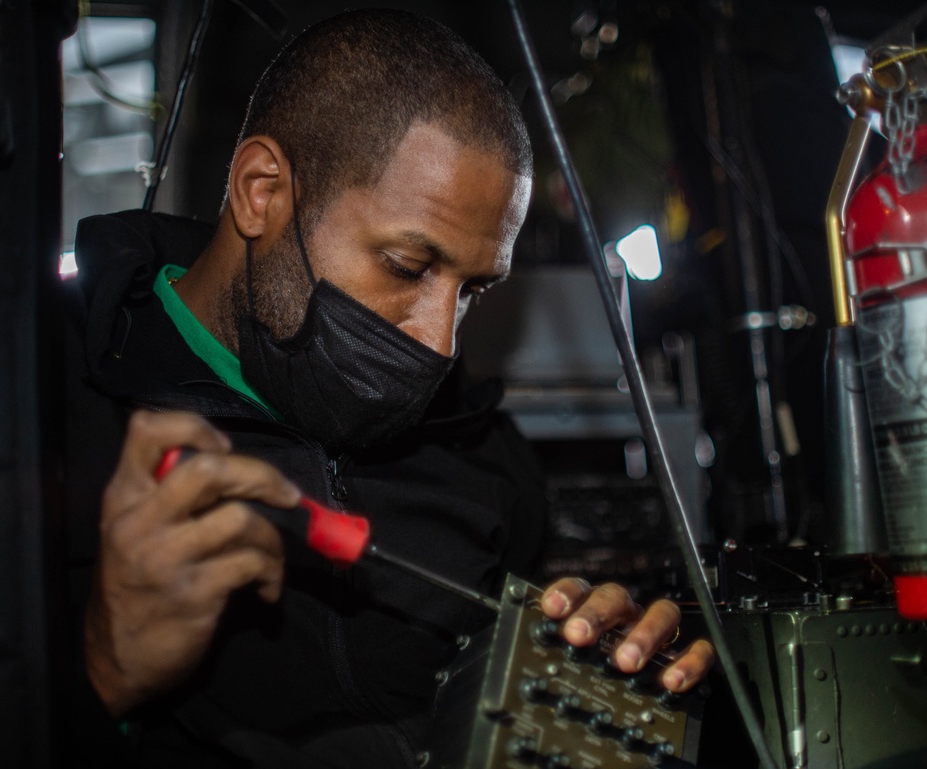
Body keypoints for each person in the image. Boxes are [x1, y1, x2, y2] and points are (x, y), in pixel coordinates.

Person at [66, 8, 715, 767]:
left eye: (474, 289)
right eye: (409, 267)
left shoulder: (487, 460)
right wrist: (104, 672)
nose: (441, 344)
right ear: (262, 191)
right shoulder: (50, 411)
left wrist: (600, 685)